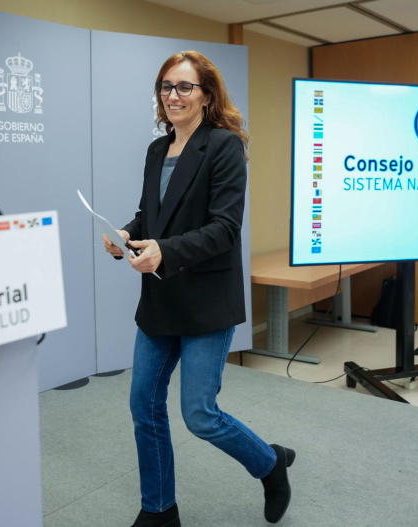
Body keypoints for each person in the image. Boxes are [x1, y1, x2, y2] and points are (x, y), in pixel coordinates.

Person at [101, 51, 295, 526]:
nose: (173, 95)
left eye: (184, 87)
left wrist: (164, 251)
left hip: (207, 300)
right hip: (160, 301)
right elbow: (153, 214)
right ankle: (159, 511)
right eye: (166, 86)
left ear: (207, 96)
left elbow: (225, 229)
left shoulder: (225, 146)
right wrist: (127, 234)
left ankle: (269, 465)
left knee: (200, 415)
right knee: (143, 407)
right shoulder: (156, 150)